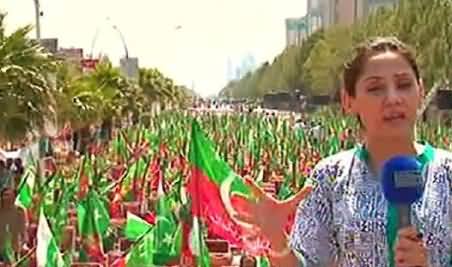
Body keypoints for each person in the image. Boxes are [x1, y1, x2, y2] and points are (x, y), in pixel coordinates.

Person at [234, 37, 451, 266]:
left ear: (421, 91)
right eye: (376, 88)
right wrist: (277, 240)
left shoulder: (447, 172)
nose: (393, 98)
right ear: (348, 101)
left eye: (404, 85)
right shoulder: (330, 176)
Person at [0, 187, 26, 263]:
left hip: (13, 248)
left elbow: (23, 230)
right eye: (4, 195)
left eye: (8, 195)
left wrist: (23, 243)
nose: (6, 198)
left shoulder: (20, 211)